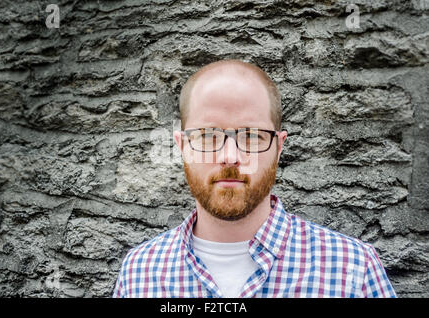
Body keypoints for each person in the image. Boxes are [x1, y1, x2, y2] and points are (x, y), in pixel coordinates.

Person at [113, 59, 396, 298]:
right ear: (182, 145)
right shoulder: (139, 273)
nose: (230, 156)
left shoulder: (353, 271)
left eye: (251, 136)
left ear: (279, 145)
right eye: (209, 135)